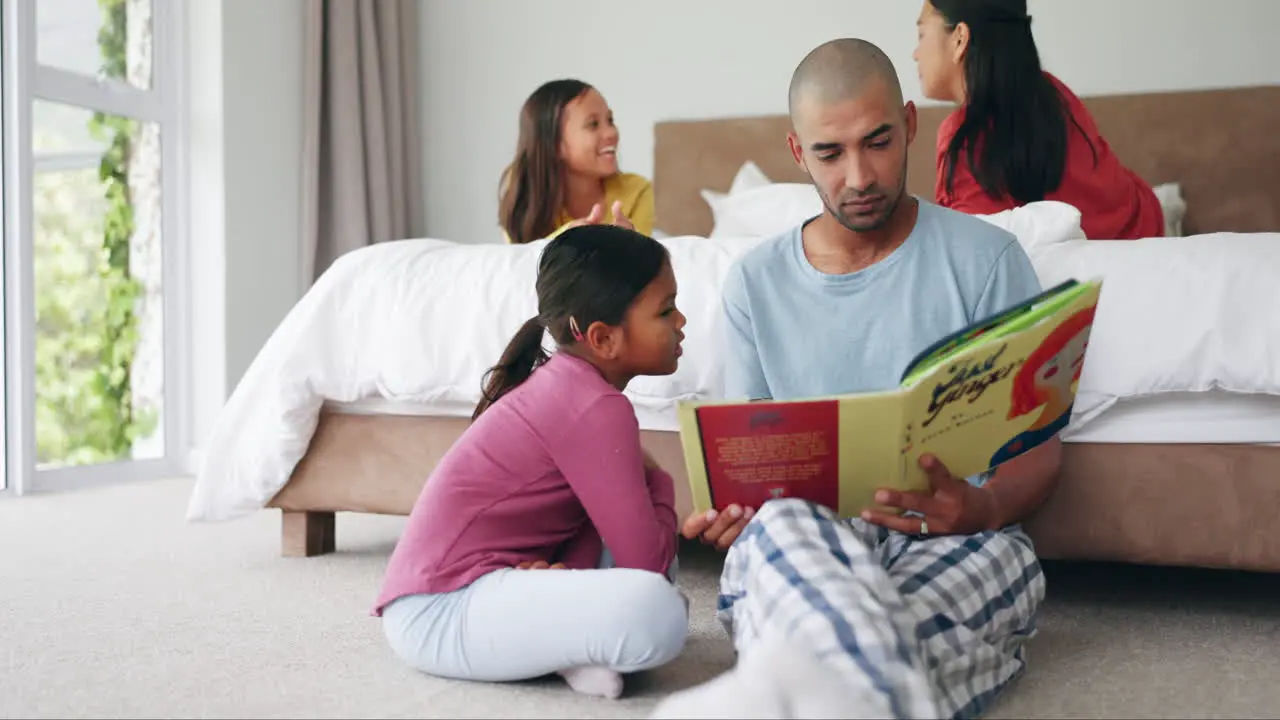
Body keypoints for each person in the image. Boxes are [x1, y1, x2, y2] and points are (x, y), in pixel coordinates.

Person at [653, 38, 1063, 720]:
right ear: (796, 152)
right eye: (830, 153)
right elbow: (752, 460)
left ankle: (792, 688)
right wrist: (738, 513)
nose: (859, 176)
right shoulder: (755, 282)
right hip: (806, 534)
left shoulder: (989, 259)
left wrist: (984, 509)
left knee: (1002, 567)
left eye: (877, 142)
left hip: (955, 539)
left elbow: (1041, 450)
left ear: (909, 123)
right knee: (781, 532)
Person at [374, 224, 689, 700]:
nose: (681, 320)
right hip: (437, 608)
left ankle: (568, 649)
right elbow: (648, 564)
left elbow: (610, 537)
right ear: (602, 338)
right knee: (660, 611)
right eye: (665, 310)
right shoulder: (593, 406)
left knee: (636, 559)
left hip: (486, 587)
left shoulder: (573, 387)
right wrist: (661, 482)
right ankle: (569, 645)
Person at [914, 0, 1164, 241]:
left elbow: (977, 262)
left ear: (959, 38)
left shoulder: (965, 141)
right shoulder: (1053, 91)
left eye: (922, 35)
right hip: (1147, 228)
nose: (915, 54)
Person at [499, 79, 655, 244]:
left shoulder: (638, 191)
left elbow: (645, 263)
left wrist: (632, 245)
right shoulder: (524, 189)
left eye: (610, 120)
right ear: (554, 144)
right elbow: (519, 258)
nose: (611, 133)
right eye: (593, 124)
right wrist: (565, 241)